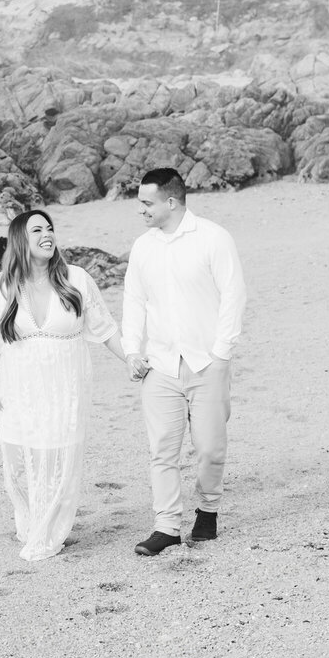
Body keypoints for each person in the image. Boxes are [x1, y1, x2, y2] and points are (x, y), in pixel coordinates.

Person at [0, 209, 122, 561]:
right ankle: (30, 523)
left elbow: (105, 328)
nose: (47, 234)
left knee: (58, 456)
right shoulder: (0, 286)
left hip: (65, 387)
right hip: (18, 387)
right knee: (20, 459)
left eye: (50, 228)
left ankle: (50, 531)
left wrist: (131, 358)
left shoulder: (77, 279)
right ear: (19, 241)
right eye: (37, 229)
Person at [121, 167, 247, 556]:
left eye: (146, 203)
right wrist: (131, 350)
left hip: (206, 362)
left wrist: (221, 352)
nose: (140, 210)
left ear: (170, 202)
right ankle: (167, 527)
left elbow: (233, 295)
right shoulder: (144, 246)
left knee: (209, 448)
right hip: (159, 364)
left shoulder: (213, 238)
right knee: (162, 450)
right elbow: (134, 300)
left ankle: (207, 509)